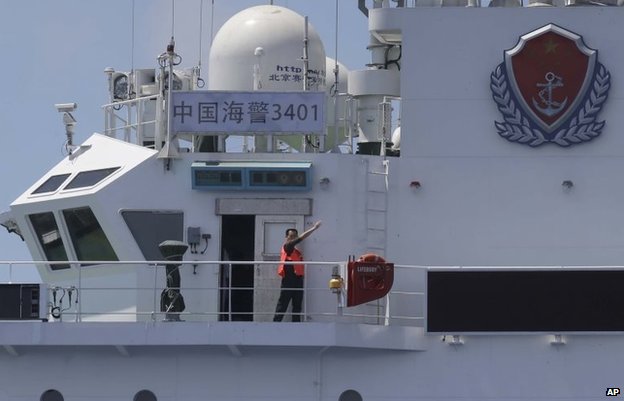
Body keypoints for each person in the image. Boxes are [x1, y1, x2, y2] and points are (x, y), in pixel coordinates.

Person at [273, 221, 322, 322]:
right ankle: (275, 323)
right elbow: (301, 238)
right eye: (291, 236)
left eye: (295, 236)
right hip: (288, 279)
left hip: (298, 279)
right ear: (286, 237)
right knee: (283, 303)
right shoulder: (287, 247)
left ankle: (296, 325)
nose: (293, 238)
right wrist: (314, 228)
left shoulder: (295, 251)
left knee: (297, 304)